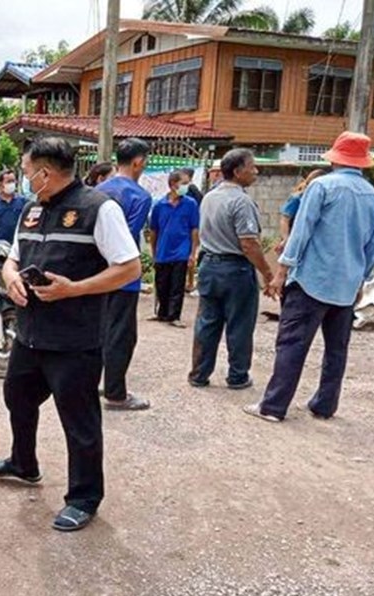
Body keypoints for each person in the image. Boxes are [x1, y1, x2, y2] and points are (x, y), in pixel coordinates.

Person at [0, 137, 141, 533]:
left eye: (25, 173)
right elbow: (14, 258)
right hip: (31, 333)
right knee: (17, 396)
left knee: (79, 421)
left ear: (44, 173)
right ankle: (24, 463)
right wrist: (10, 278)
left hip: (75, 339)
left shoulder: (99, 209)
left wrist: (73, 288)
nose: (20, 180)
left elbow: (129, 269)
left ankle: (84, 497)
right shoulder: (32, 210)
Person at [245, 132, 374, 423]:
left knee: (292, 344)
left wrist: (281, 272)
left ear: (335, 158)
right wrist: (362, 281)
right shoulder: (373, 196)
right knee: (337, 349)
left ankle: (273, 406)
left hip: (311, 281)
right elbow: (373, 246)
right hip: (347, 286)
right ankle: (324, 405)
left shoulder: (322, 186)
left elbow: (301, 232)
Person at [188, 148, 273, 390]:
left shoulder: (209, 197)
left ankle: (199, 374)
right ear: (237, 171)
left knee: (207, 322)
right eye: (252, 166)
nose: (256, 171)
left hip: (209, 266)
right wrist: (267, 273)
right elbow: (248, 243)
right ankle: (237, 376)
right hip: (235, 270)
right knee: (240, 325)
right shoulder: (241, 201)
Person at [95, 138, 153, 411]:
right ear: (138, 161)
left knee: (98, 331)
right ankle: (116, 394)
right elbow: (126, 239)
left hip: (95, 274)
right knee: (122, 335)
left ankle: (95, 382)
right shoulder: (139, 196)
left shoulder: (98, 189)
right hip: (122, 277)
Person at [148, 169, 200, 327]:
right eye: (183, 183)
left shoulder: (190, 204)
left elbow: (194, 229)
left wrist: (193, 252)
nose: (187, 186)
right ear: (172, 185)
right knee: (162, 283)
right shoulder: (159, 206)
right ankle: (162, 313)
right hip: (163, 251)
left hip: (181, 251)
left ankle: (174, 316)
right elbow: (153, 230)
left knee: (177, 285)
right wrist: (154, 251)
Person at [275, 169, 326, 255]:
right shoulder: (297, 199)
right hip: (295, 238)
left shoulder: (321, 200)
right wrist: (286, 239)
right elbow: (285, 219)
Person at [0, 169, 27, 243]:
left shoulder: (23, 202)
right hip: (1, 246)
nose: (12, 184)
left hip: (19, 245)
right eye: (9, 182)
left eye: (13, 181)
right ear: (0, 184)